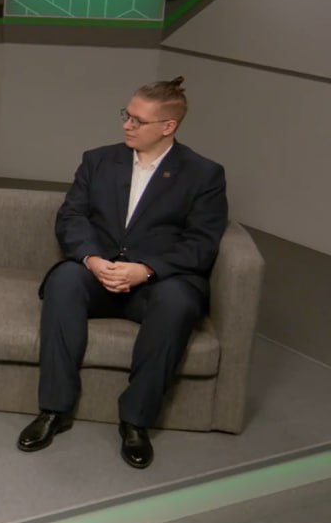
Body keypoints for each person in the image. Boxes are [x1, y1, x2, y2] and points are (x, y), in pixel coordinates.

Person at [17, 77, 228, 469]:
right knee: (64, 281)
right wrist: (92, 260)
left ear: (168, 126)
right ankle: (54, 410)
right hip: (99, 272)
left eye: (137, 120)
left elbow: (201, 243)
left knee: (178, 302)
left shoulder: (204, 174)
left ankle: (135, 421)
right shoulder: (98, 160)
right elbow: (71, 217)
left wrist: (146, 270)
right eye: (126, 115)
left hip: (156, 282)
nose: (126, 125)